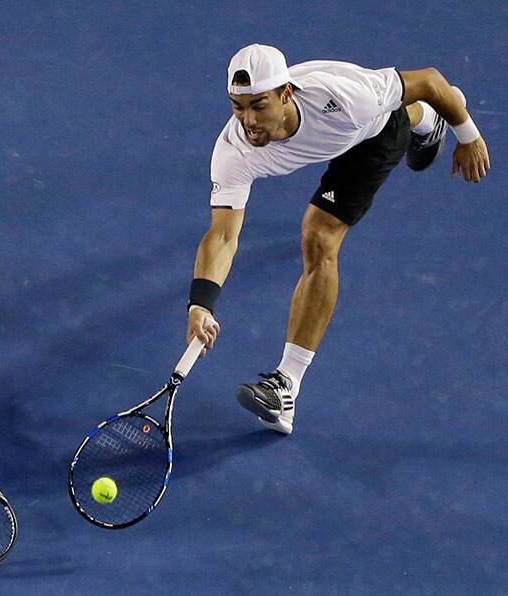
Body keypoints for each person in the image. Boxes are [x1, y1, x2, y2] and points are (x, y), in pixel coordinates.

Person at [186, 44, 491, 434]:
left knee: (319, 234)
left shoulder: (349, 97)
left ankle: (287, 383)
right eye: (237, 106)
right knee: (390, 117)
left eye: (259, 105)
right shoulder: (234, 150)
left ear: (286, 94)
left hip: (371, 133)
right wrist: (201, 305)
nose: (249, 120)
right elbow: (223, 236)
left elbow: (430, 79)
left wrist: (469, 136)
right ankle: (423, 119)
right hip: (347, 129)